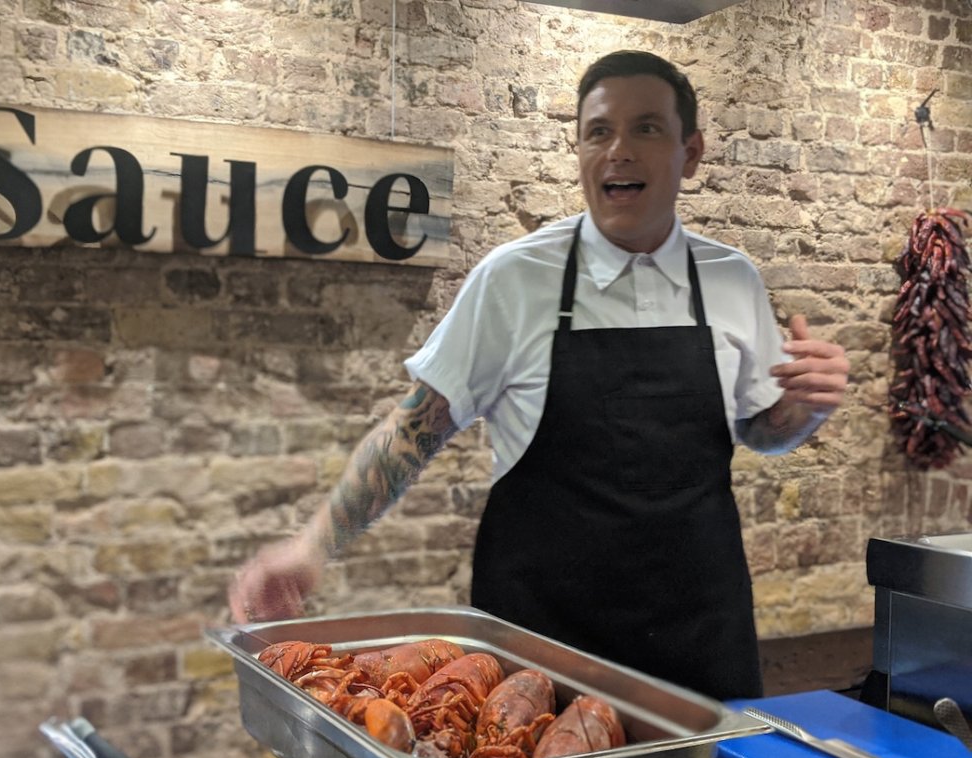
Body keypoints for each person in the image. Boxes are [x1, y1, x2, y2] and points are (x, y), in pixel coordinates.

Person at [228, 50, 849, 701]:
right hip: (540, 649)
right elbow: (413, 431)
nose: (618, 151)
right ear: (578, 147)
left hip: (700, 635)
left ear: (690, 152)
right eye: (598, 131)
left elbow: (759, 430)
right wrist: (312, 547)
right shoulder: (515, 279)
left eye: (646, 128)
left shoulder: (732, 280)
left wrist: (801, 412)